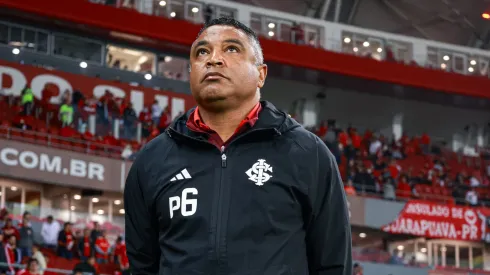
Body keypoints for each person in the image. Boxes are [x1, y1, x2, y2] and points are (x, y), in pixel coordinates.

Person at [124, 17, 352, 275]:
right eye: (202, 52)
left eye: (231, 49)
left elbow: (333, 263)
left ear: (261, 75)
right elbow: (143, 266)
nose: (213, 59)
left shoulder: (308, 154)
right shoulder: (152, 160)